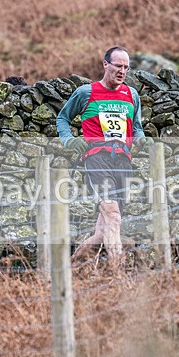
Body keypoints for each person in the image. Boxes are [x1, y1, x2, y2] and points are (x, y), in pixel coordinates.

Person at [56, 46, 153, 266]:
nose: (122, 71)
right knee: (113, 216)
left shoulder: (131, 94)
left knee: (105, 229)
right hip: (97, 159)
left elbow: (136, 127)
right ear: (105, 64)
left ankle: (69, 268)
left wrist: (141, 139)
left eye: (126, 67)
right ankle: (117, 276)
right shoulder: (85, 93)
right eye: (118, 66)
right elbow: (62, 119)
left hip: (123, 162)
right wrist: (70, 140)